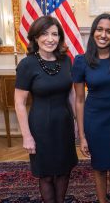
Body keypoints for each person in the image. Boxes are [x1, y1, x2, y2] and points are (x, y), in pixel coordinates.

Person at [14, 16, 78, 202]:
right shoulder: (27, 65)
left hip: (64, 125)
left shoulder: (66, 61)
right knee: (47, 174)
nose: (50, 39)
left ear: (60, 38)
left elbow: (71, 95)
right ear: (35, 37)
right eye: (44, 34)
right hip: (40, 127)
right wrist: (27, 136)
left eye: (54, 34)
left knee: (65, 171)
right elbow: (19, 103)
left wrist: (76, 123)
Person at [72, 13, 110, 203]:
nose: (103, 35)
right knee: (99, 167)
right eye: (100, 29)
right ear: (94, 31)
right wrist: (82, 135)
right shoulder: (81, 61)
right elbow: (79, 100)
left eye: (109, 31)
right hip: (94, 120)